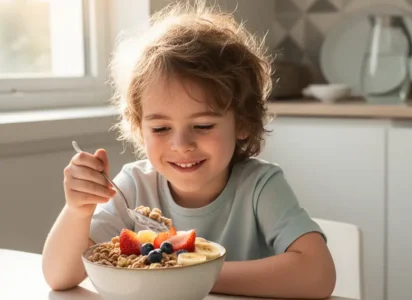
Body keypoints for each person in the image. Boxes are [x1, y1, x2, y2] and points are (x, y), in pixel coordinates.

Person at [42, 1, 336, 298]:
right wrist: (78, 210)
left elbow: (318, 274)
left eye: (204, 125)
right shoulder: (132, 186)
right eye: (160, 128)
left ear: (243, 123)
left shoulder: (260, 186)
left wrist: (191, 273)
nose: (181, 145)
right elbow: (59, 276)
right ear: (140, 128)